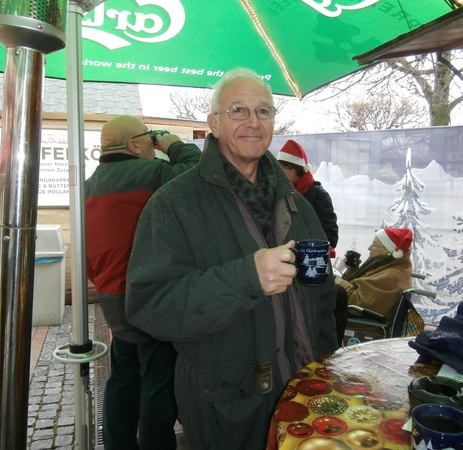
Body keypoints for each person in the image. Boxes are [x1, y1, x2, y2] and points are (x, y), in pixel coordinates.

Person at [125, 68, 338, 449]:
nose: (253, 123)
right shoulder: (174, 204)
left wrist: (323, 368)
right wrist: (247, 278)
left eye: (264, 111)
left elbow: (323, 300)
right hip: (227, 405)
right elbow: (152, 307)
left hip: (302, 394)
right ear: (214, 123)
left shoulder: (298, 205)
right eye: (238, 110)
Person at [85, 115, 201, 450]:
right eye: (149, 139)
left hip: (112, 297)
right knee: (157, 381)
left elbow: (87, 253)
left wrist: (107, 282)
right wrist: (174, 144)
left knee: (122, 376)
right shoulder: (153, 174)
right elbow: (195, 172)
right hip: (151, 298)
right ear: (134, 144)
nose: (154, 146)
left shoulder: (90, 183)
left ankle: (117, 444)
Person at [334, 227, 413, 342]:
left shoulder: (389, 277)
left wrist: (341, 284)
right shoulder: (389, 267)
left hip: (360, 327)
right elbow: (367, 290)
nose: (369, 248)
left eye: (374, 244)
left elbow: (356, 304)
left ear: (388, 250)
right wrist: (353, 271)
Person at [277, 139, 339, 256]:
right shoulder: (278, 192)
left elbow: (330, 235)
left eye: (287, 167)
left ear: (299, 168)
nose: (282, 172)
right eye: (280, 167)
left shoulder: (317, 195)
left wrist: (309, 248)